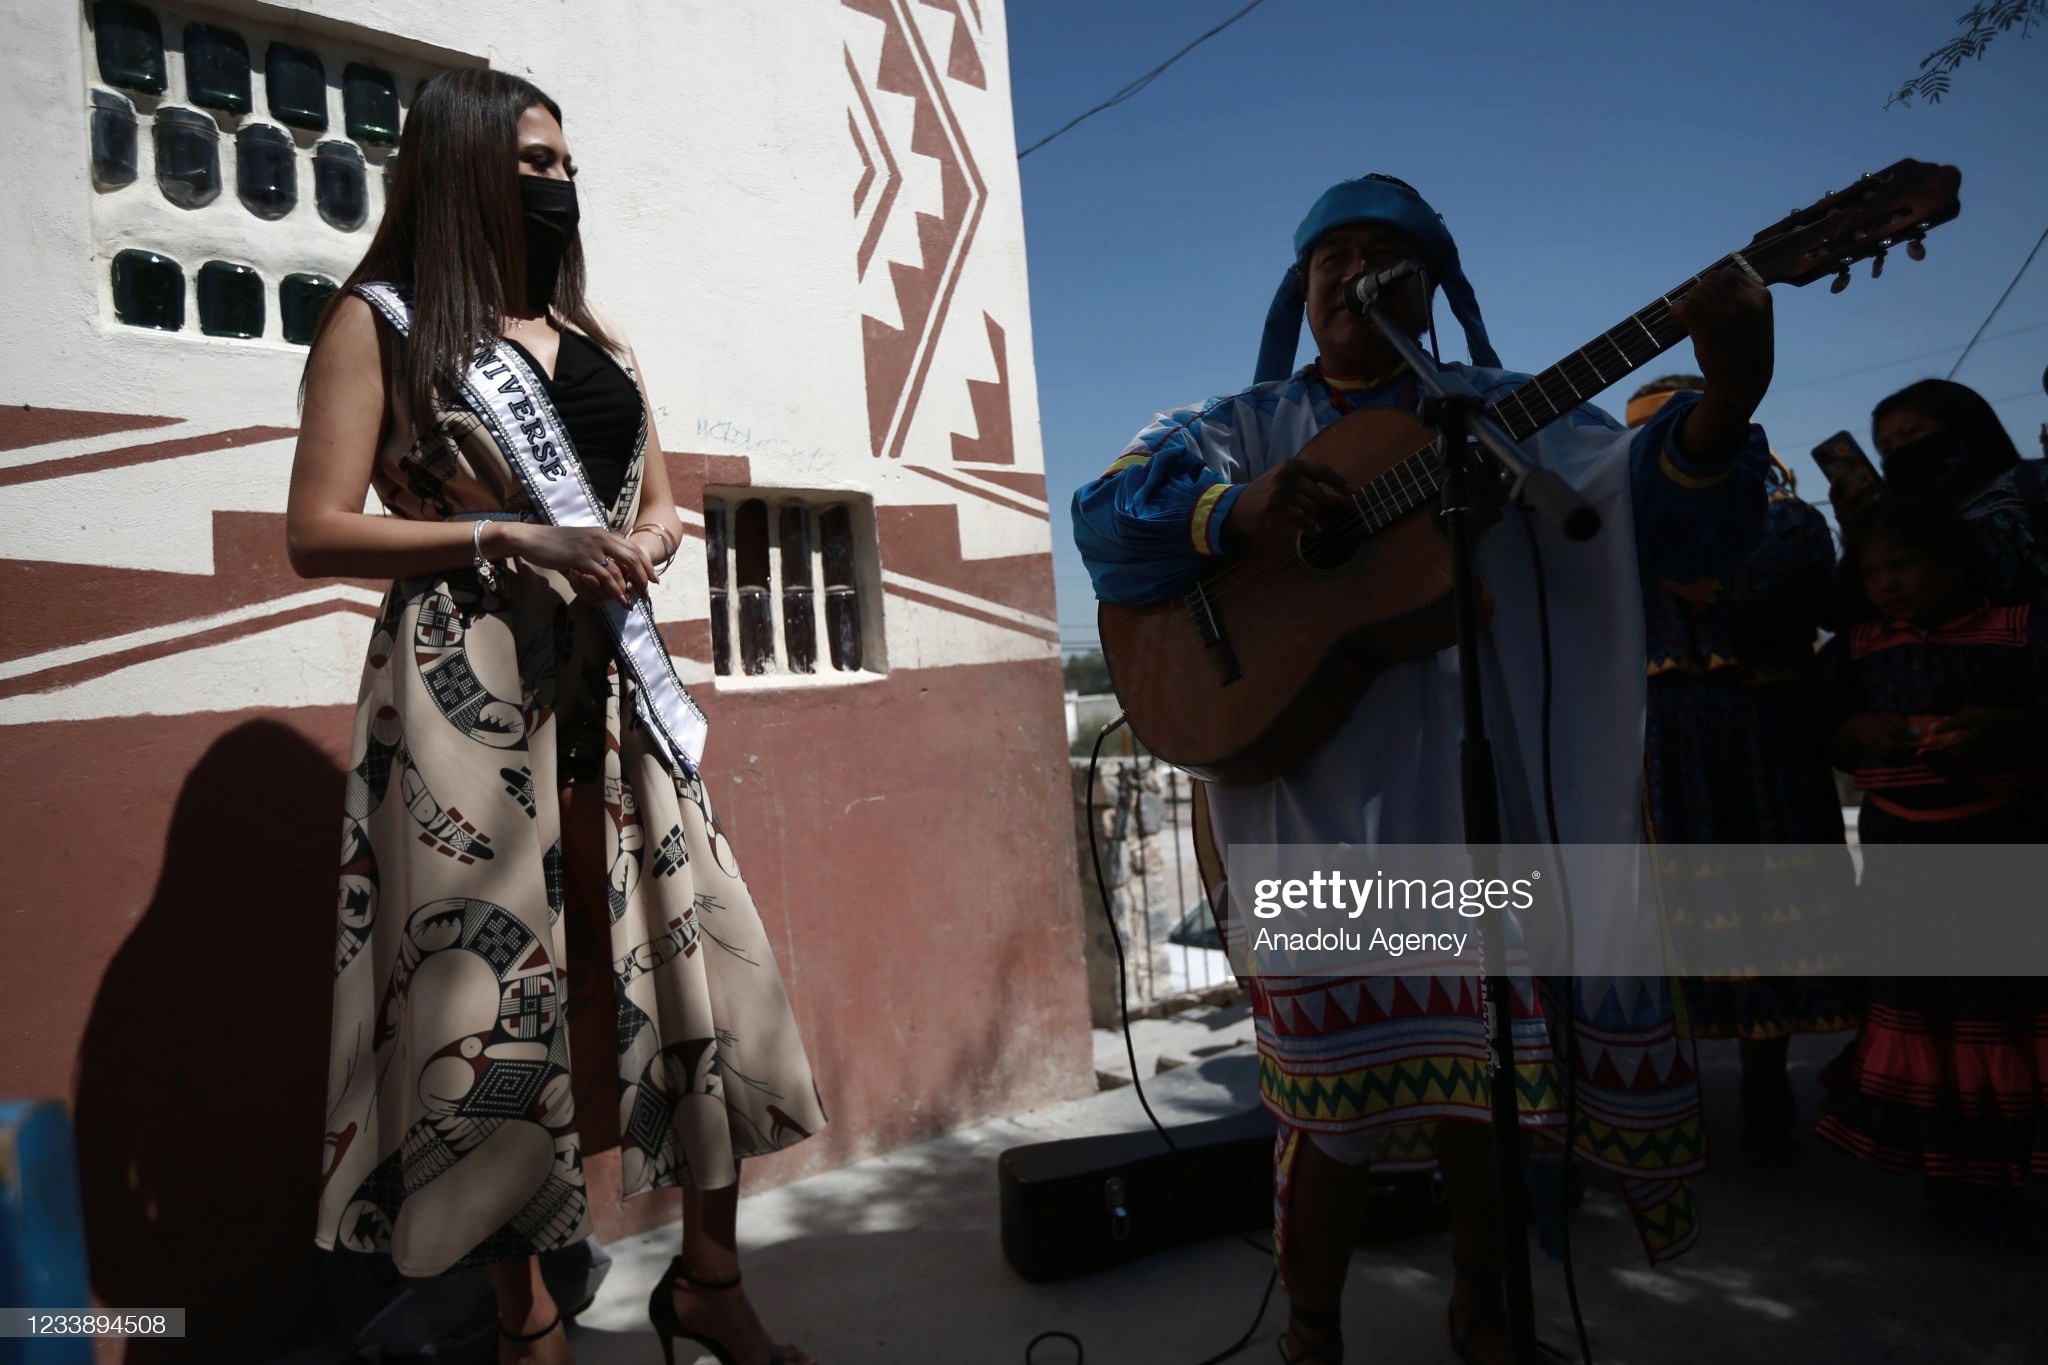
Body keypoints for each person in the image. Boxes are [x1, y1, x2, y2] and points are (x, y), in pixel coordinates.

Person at [1073, 175, 1774, 1363]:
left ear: (1430, 287)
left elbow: (1663, 527)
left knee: (1485, 1088)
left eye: (1380, 256)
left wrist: (1725, 402)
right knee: (1322, 1109)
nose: (1350, 275)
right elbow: (1106, 518)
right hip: (1308, 824)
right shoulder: (1234, 426)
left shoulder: (1509, 415)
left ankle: (1483, 1307)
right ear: (1300, 289)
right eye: (1327, 257)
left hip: (1480, 807)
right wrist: (1238, 517)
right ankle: (1311, 1330)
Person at [287, 69, 826, 1365]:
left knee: (698, 967)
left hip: (610, 697)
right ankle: (530, 1322)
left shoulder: (603, 339)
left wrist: (649, 536)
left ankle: (708, 1278)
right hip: (467, 704)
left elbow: (649, 493)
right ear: (464, 167)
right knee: (496, 1000)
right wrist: (504, 528)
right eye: (530, 162)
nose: (555, 185)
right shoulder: (381, 322)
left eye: (563, 164)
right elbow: (312, 529)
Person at [1628, 376, 1860, 1160]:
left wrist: (1677, 570)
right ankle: (1675, 1091)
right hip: (1659, 745)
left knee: (1773, 903)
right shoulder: (1610, 536)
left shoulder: (1787, 519)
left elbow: (1768, 597)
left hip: (1766, 744)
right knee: (1671, 919)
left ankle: (1767, 1080)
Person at [1810, 502, 2048, 1218]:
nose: (1888, 583)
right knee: (1925, 1003)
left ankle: (2014, 1158)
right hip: (1901, 852)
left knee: (2003, 1000)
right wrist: (1854, 726)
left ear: (1955, 564)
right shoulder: (1855, 649)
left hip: (2000, 844)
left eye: (1904, 565)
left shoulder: (2020, 630)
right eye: (1874, 572)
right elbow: (1818, 730)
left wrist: (2006, 726)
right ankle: (1948, 1165)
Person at [1863, 378, 2048, 603]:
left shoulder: (2034, 482)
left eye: (1910, 434)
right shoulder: (1904, 530)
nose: (1898, 454)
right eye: (1886, 449)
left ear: (1963, 427)